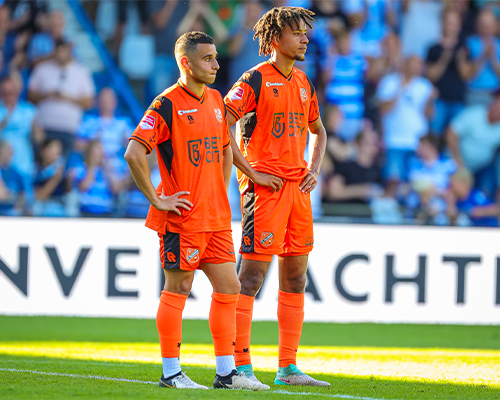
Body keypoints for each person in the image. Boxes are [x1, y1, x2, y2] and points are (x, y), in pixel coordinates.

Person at [124, 31, 280, 390]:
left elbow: (226, 146)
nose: (216, 64)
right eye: (208, 58)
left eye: (215, 57)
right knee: (178, 286)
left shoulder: (214, 99)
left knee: (230, 287)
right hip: (183, 217)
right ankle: (171, 373)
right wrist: (157, 199)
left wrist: (222, 186)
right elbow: (134, 152)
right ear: (186, 62)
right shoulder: (166, 104)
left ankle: (226, 374)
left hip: (216, 216)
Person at [224, 6, 330, 387]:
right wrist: (249, 171)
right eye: (297, 32)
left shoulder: (304, 82)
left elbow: (320, 130)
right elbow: (222, 122)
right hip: (264, 192)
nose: (305, 38)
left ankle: (287, 368)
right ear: (275, 40)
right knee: (250, 277)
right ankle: (239, 366)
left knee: (296, 277)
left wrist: (313, 168)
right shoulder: (253, 80)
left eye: (306, 32)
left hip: (298, 192)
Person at [28, 38, 95, 159]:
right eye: (58, 51)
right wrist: (47, 95)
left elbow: (89, 102)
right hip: (45, 127)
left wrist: (67, 98)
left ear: (69, 51)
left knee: (63, 167)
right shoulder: (42, 68)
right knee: (42, 164)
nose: (60, 54)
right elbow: (30, 96)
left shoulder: (81, 71)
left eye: (63, 51)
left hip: (69, 129)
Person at [446, 89, 500, 200]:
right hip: (455, 163)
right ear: (493, 103)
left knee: (488, 186)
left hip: (481, 168)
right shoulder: (475, 114)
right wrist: (458, 160)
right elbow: (451, 133)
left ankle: (487, 210)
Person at [426, 7, 469, 135]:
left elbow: (466, 75)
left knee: (454, 138)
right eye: (449, 23)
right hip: (439, 101)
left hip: (458, 101)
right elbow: (431, 76)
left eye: (455, 24)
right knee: (434, 136)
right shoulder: (433, 49)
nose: (452, 27)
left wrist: (460, 58)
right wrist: (445, 55)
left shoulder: (464, 48)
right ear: (442, 24)